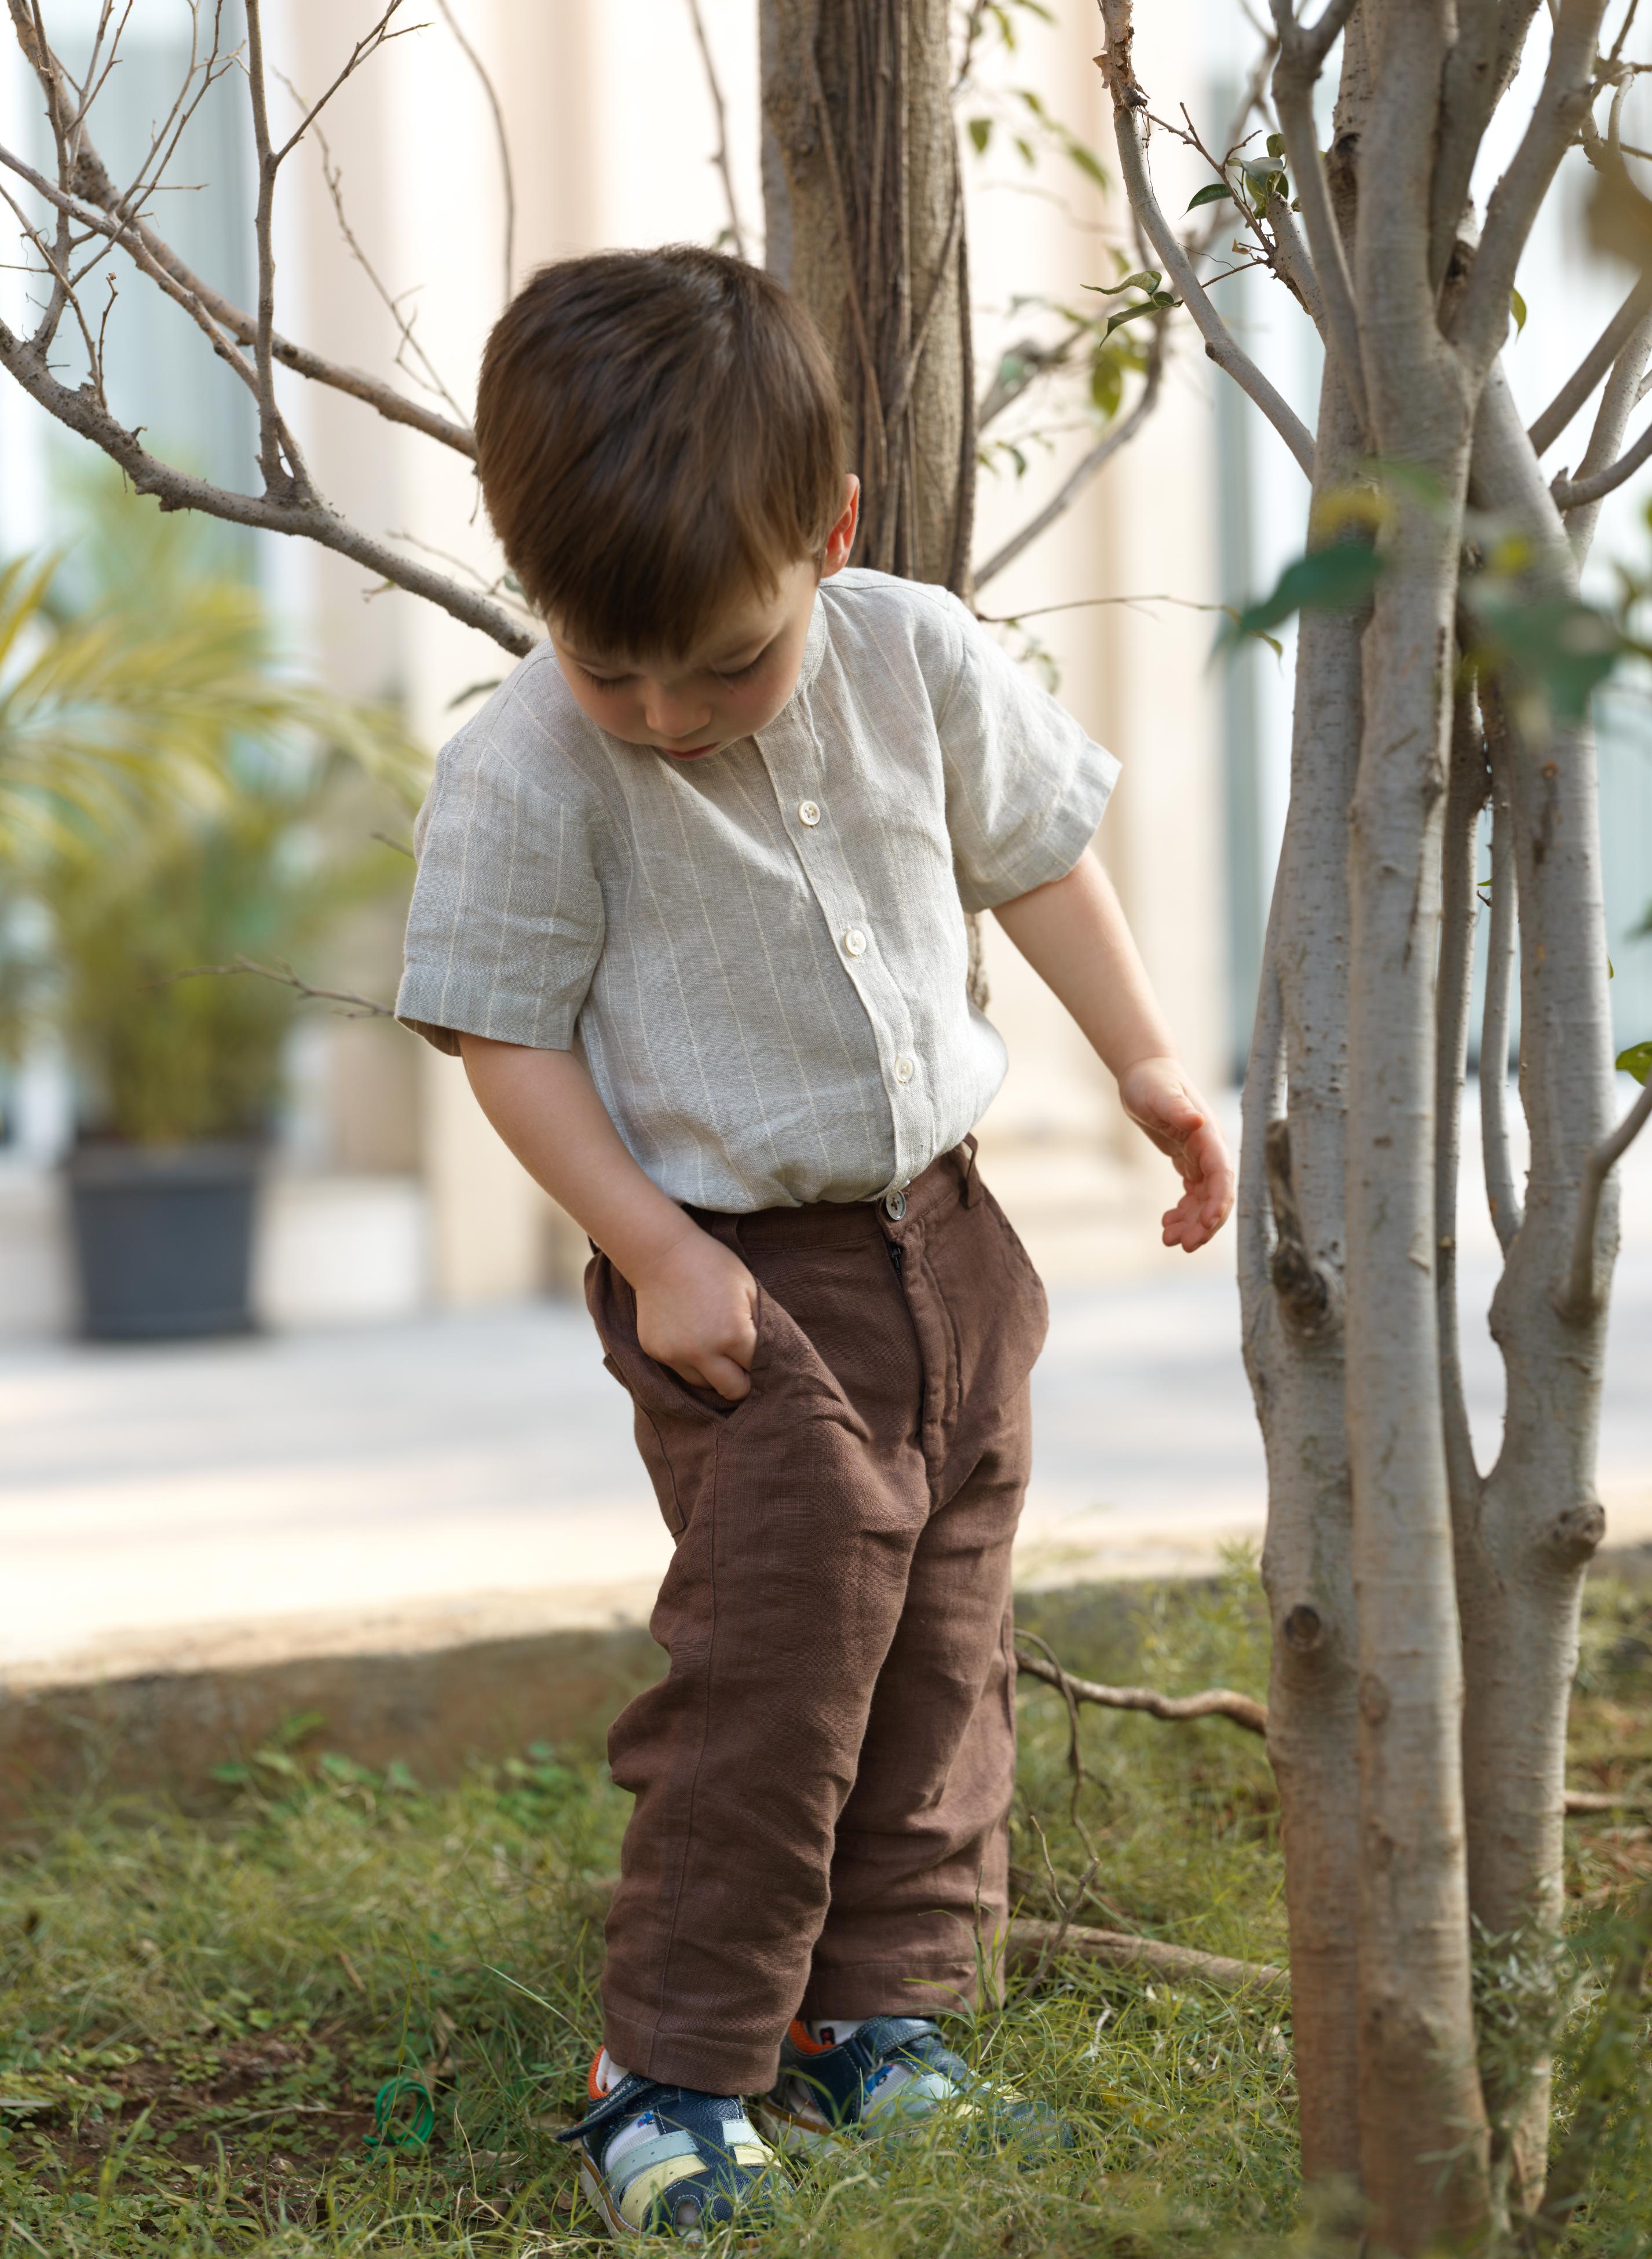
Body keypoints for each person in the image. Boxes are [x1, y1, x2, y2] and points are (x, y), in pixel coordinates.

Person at [397, 244, 1233, 2240]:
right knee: (770, 1675)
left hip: (956, 1245)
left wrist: (1144, 1060)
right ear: (535, 590)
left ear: (829, 536)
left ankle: (876, 2018)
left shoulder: (915, 655)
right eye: (614, 668)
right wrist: (655, 1254)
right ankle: (669, 2069)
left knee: (941, 1651)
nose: (665, 714)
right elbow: (505, 1039)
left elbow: (1036, 857)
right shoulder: (527, 762)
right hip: (738, 1289)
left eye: (724, 662)